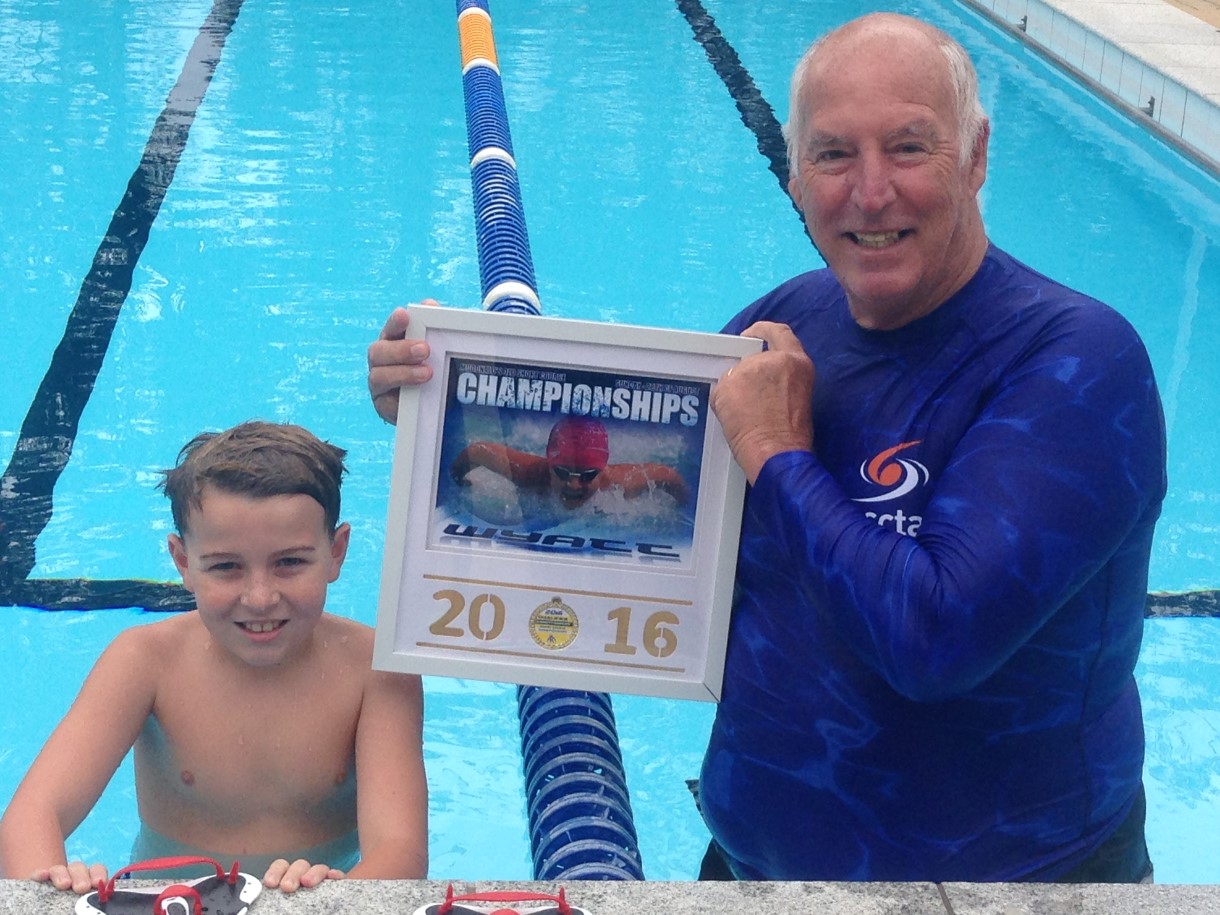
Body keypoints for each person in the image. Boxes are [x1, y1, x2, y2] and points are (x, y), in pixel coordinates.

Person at [365, 12, 1165, 883]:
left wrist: (778, 454)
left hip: (1006, 886)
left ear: (975, 156)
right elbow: (619, 507)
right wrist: (447, 412)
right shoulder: (784, 322)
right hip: (750, 864)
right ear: (794, 176)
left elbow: (933, 641)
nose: (870, 192)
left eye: (908, 148)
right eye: (833, 155)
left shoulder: (1077, 363)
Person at [0, 421, 428, 894]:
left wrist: (326, 904)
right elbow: (33, 814)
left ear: (337, 552)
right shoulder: (145, 661)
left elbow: (400, 851)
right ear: (183, 562)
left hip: (312, 899)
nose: (260, 598)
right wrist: (51, 889)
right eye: (226, 566)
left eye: (290, 562)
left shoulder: (376, 668)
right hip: (167, 900)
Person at [450, 415, 690, 511]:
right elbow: (476, 451)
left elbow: (670, 477)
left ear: (602, 470)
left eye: (587, 475)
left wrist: (682, 507)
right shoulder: (529, 474)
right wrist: (459, 483)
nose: (574, 485)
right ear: (550, 464)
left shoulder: (619, 485)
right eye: (563, 472)